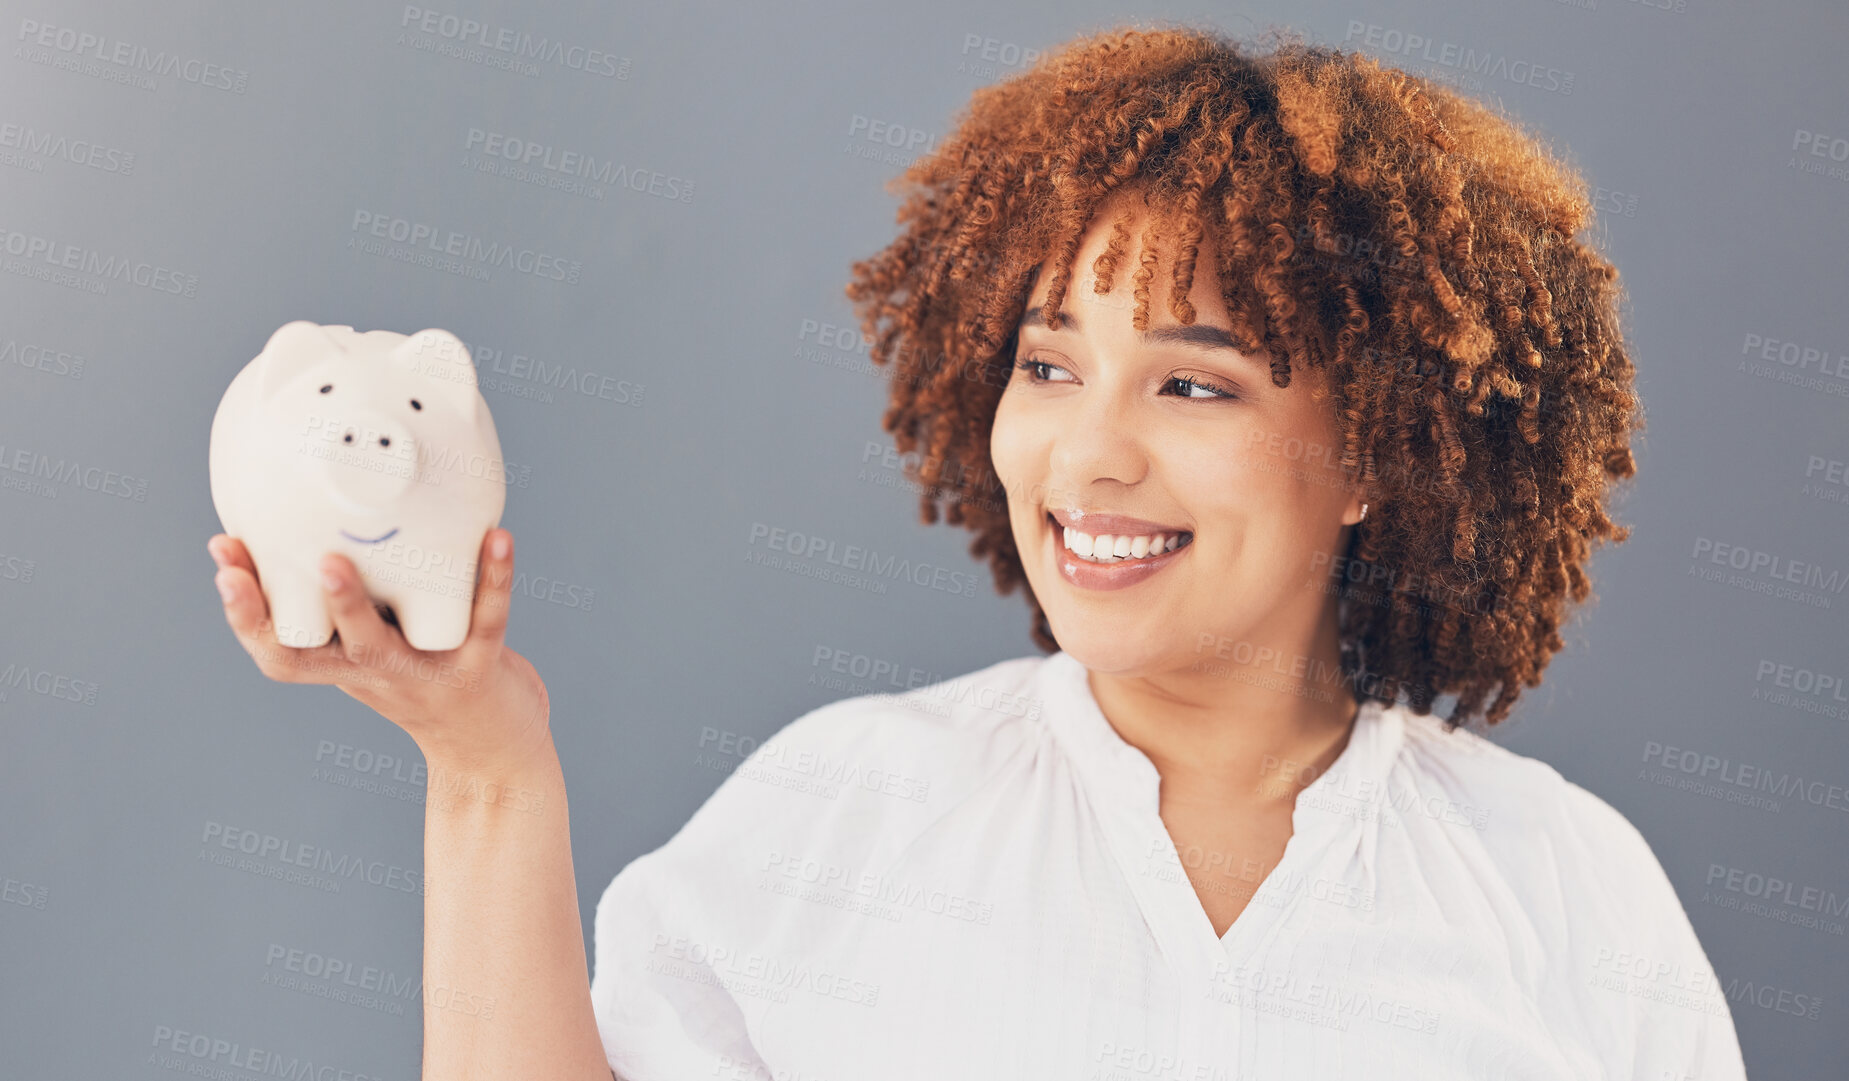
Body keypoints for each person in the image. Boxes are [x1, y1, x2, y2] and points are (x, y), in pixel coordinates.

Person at [206, 24, 1749, 1081]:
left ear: (1370, 450)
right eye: (1048, 364)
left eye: (1193, 381)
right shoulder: (849, 813)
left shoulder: (1561, 893)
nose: (1086, 453)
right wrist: (487, 768)